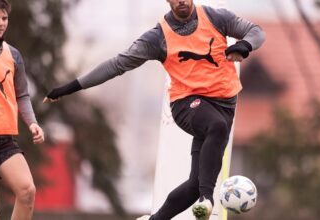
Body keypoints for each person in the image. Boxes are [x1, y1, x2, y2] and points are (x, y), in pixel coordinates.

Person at [44, 0, 265, 219]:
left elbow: (256, 32)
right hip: (186, 104)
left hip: (224, 106)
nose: (181, 1)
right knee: (215, 129)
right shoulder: (157, 38)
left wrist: (244, 45)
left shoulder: (217, 17)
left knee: (195, 184)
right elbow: (116, 65)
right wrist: (68, 88)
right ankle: (207, 200)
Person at [0, 0, 45, 219]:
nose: (0, 23)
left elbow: (22, 94)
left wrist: (32, 123)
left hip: (4, 141)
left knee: (27, 191)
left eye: (4, 18)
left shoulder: (14, 55)